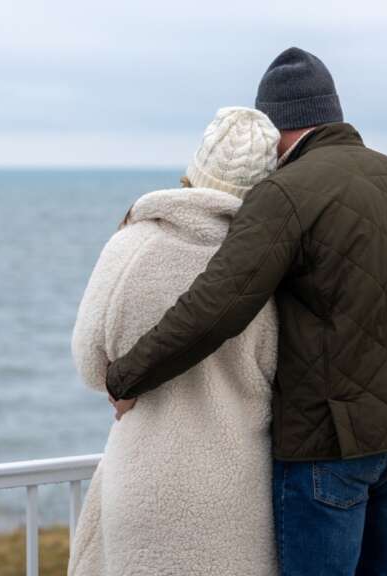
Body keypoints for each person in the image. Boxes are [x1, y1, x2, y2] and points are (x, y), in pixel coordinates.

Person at [106, 47, 387, 575]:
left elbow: (218, 306)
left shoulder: (285, 193)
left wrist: (128, 376)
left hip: (333, 440)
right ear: (333, 113)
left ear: (276, 130)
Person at [68, 107, 281, 576]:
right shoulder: (269, 263)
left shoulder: (132, 246)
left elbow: (89, 365)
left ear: (196, 167)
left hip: (143, 481)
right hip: (240, 487)